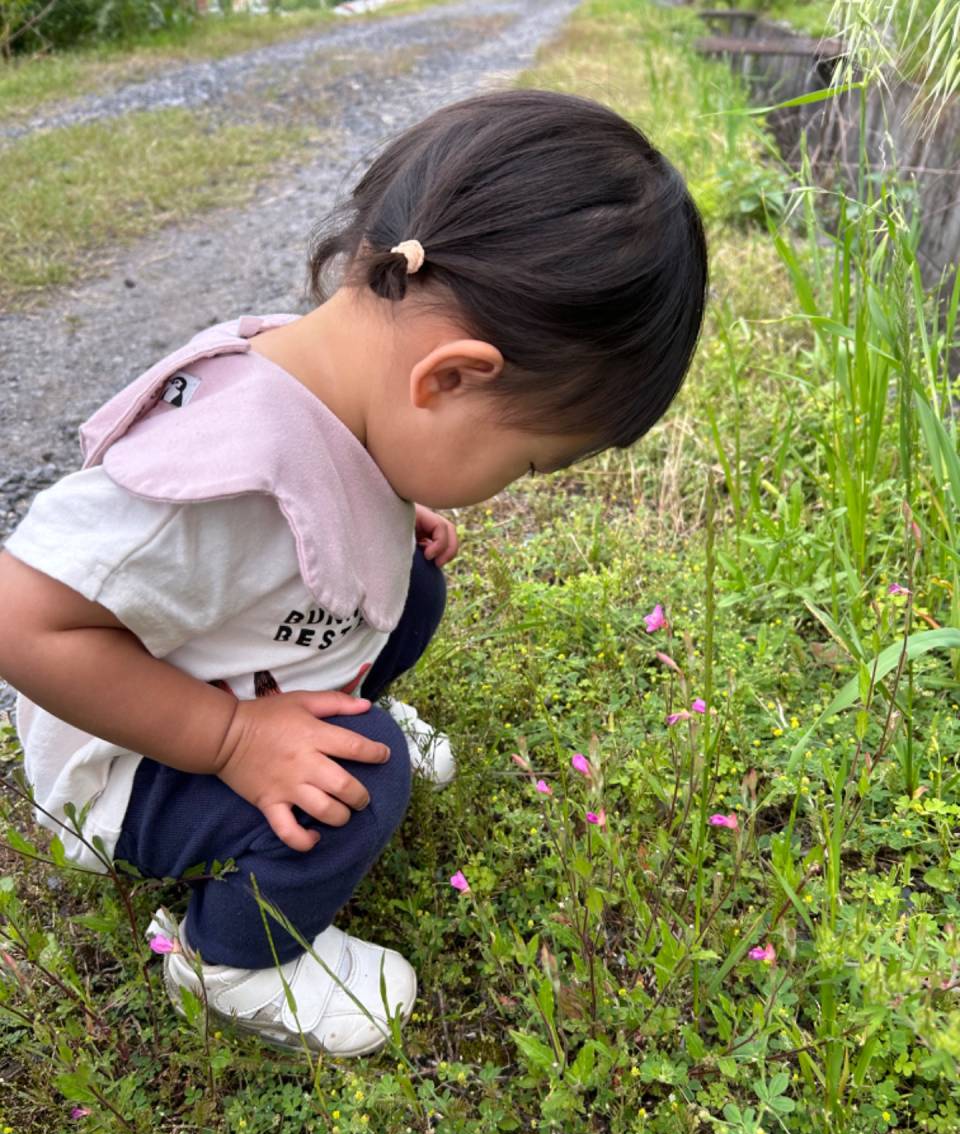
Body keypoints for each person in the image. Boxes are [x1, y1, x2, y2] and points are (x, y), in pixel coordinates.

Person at [0, 88, 708, 1058]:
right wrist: (232, 737)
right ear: (449, 379)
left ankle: (320, 700)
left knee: (411, 586)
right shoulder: (225, 478)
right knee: (369, 780)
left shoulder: (327, 371)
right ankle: (233, 962)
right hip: (127, 759)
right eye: (529, 463)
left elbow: (319, 473)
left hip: (221, 657)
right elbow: (21, 617)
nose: (510, 487)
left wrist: (381, 502)